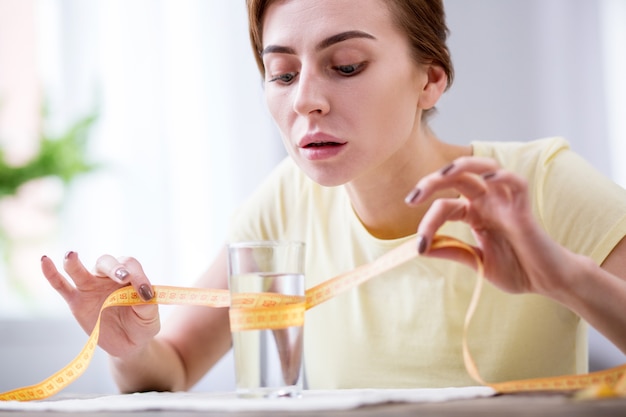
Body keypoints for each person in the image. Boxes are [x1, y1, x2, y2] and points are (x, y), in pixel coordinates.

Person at [41, 0, 626, 393]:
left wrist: (565, 279)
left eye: (345, 66)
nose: (305, 101)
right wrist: (129, 345)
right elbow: (173, 368)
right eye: (283, 74)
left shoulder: (537, 184)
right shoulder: (282, 203)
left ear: (431, 79)